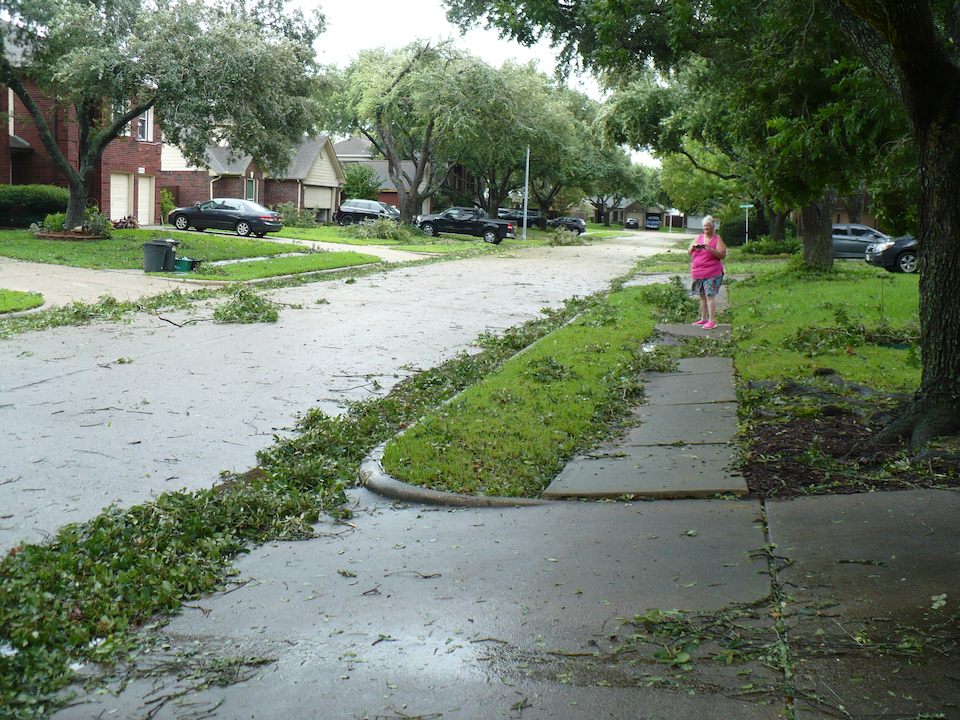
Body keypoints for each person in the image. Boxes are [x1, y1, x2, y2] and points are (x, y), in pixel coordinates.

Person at [687, 215, 727, 329]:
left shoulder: (717, 239)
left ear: (713, 227)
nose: (706, 228)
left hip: (712, 273)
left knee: (710, 295)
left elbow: (722, 255)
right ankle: (703, 318)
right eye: (705, 226)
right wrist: (693, 247)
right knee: (702, 296)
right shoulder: (698, 238)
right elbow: (689, 252)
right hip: (698, 273)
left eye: (708, 226)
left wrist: (711, 249)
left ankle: (712, 320)